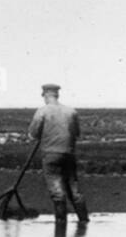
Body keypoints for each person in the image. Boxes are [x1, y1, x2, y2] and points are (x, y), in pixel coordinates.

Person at [28, 83, 88, 224]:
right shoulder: (71, 112)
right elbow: (77, 133)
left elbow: (33, 134)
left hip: (51, 155)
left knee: (57, 192)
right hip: (69, 154)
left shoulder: (42, 112)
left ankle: (61, 226)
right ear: (57, 95)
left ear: (46, 95)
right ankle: (84, 222)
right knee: (74, 191)